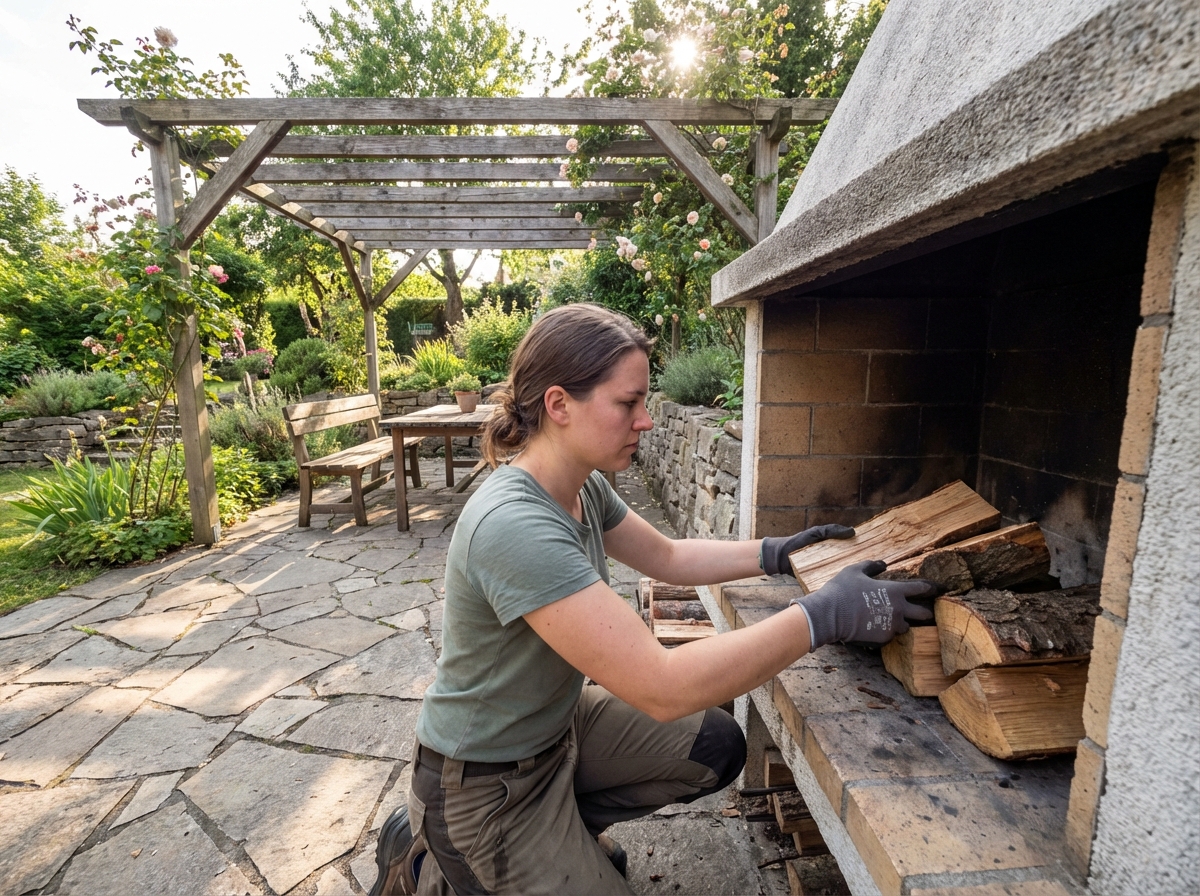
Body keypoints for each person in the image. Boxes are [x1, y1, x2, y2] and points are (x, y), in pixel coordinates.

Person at [370, 303, 933, 896]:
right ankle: (427, 860)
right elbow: (663, 686)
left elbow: (667, 557)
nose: (646, 421)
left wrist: (776, 552)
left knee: (715, 746)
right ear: (559, 405)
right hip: (485, 786)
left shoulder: (580, 484)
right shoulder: (513, 524)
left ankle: (560, 831)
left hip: (558, 732)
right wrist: (824, 615)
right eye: (628, 403)